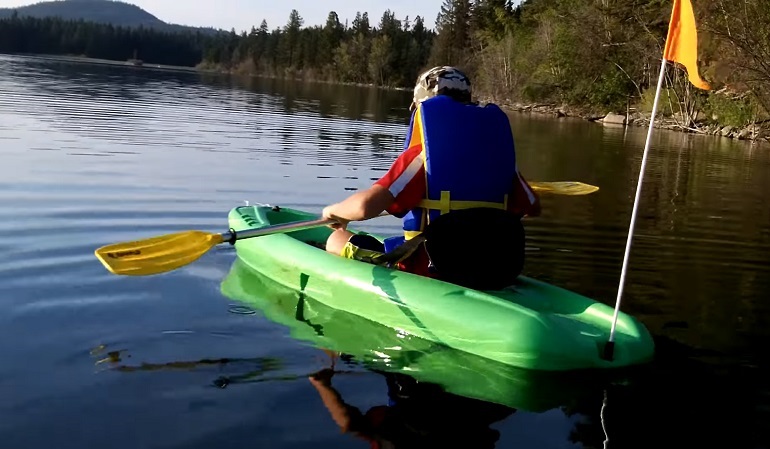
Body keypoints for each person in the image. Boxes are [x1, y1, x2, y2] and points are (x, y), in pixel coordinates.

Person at [321, 66, 540, 289]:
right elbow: (531, 207)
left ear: (421, 107)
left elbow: (365, 207)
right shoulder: (499, 158)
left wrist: (335, 211)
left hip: (433, 267)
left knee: (335, 239)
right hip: (493, 269)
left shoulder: (421, 159)